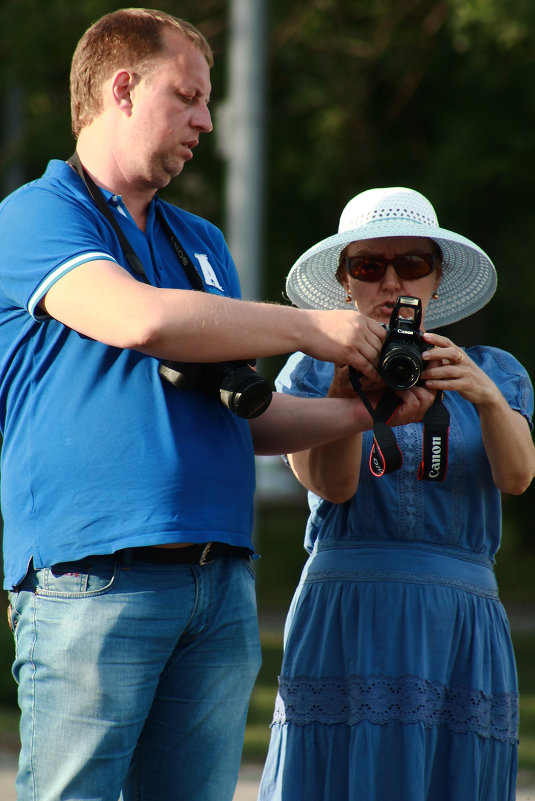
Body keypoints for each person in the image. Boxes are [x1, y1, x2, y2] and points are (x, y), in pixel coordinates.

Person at [0, 12, 436, 801]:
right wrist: (322, 330)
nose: (206, 119)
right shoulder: (33, 215)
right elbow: (144, 320)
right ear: (123, 88)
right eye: (190, 95)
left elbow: (246, 416)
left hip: (220, 583)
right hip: (95, 579)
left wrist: (370, 414)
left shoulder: (199, 239)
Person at [258, 186, 535, 801]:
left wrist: (484, 396)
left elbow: (517, 478)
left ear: (437, 277)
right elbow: (333, 484)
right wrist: (342, 394)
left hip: (459, 620)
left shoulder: (496, 370)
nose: (391, 283)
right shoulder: (311, 369)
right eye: (368, 267)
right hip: (349, 610)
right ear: (345, 281)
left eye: (411, 264)